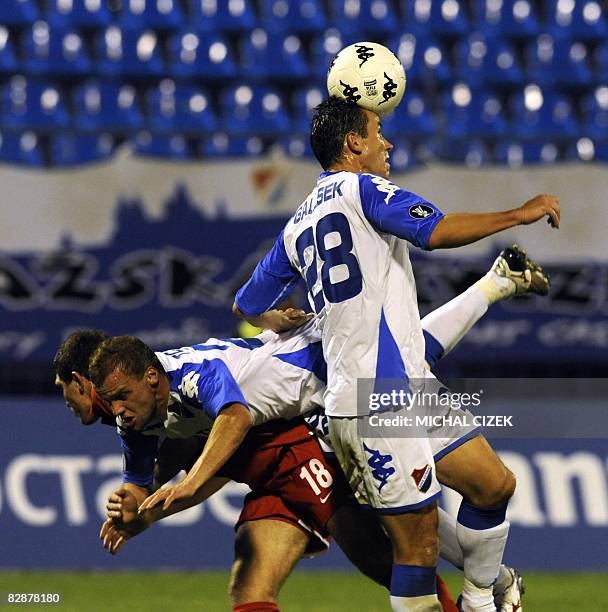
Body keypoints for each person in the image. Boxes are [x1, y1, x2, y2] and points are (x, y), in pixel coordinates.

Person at [231, 97, 560, 612]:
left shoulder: (297, 224)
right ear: (352, 143)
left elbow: (247, 302)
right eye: (377, 130)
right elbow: (435, 229)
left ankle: (478, 597)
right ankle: (479, 599)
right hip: (370, 402)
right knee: (418, 548)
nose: (387, 142)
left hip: (407, 387)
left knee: (494, 485)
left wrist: (277, 317)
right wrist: (519, 214)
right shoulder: (363, 188)